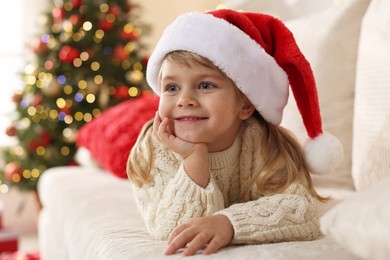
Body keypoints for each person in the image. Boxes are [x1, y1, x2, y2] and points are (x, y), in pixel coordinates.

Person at [127, 9, 343, 256]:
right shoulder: (155, 150)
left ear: (245, 104)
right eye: (172, 87)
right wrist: (194, 161)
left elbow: (301, 210)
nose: (184, 100)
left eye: (205, 85)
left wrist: (229, 223)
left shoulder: (260, 142)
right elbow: (173, 230)